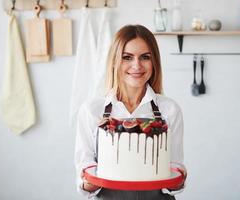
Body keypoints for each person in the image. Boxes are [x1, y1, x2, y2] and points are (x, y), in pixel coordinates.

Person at [74, 24, 186, 200]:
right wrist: (89, 181)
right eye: (127, 57)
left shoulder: (170, 109)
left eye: (145, 57)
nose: (137, 65)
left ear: (154, 61)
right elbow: (84, 169)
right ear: (114, 62)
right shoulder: (91, 110)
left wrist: (179, 178)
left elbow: (175, 167)